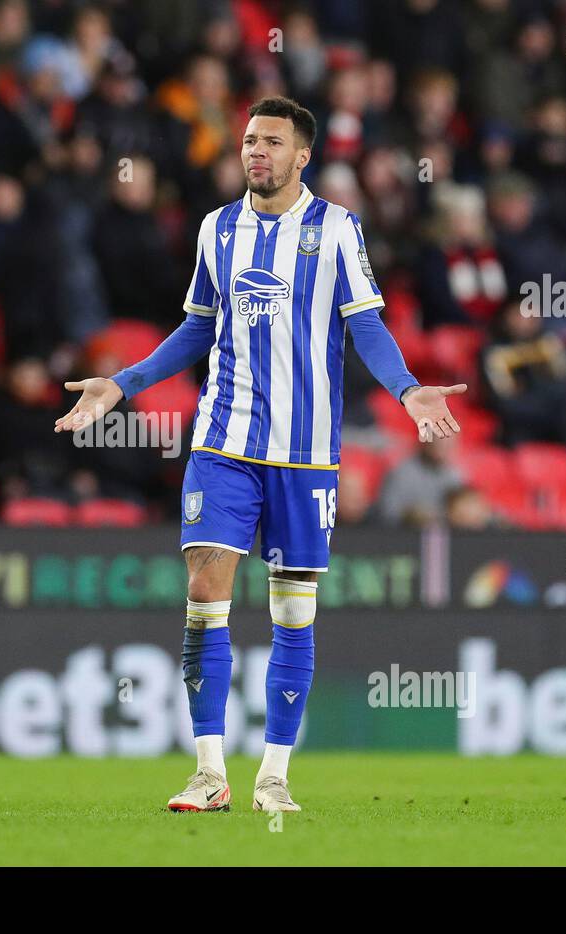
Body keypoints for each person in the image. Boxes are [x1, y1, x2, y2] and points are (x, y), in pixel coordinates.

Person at [55, 96, 464, 813]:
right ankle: (210, 773)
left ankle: (273, 775)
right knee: (205, 597)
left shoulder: (337, 230)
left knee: (292, 615)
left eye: (272, 142)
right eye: (249, 140)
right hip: (224, 445)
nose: (257, 152)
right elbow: (194, 332)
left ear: (302, 155)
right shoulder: (217, 230)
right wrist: (121, 385)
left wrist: (406, 390)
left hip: (305, 457)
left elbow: (365, 325)